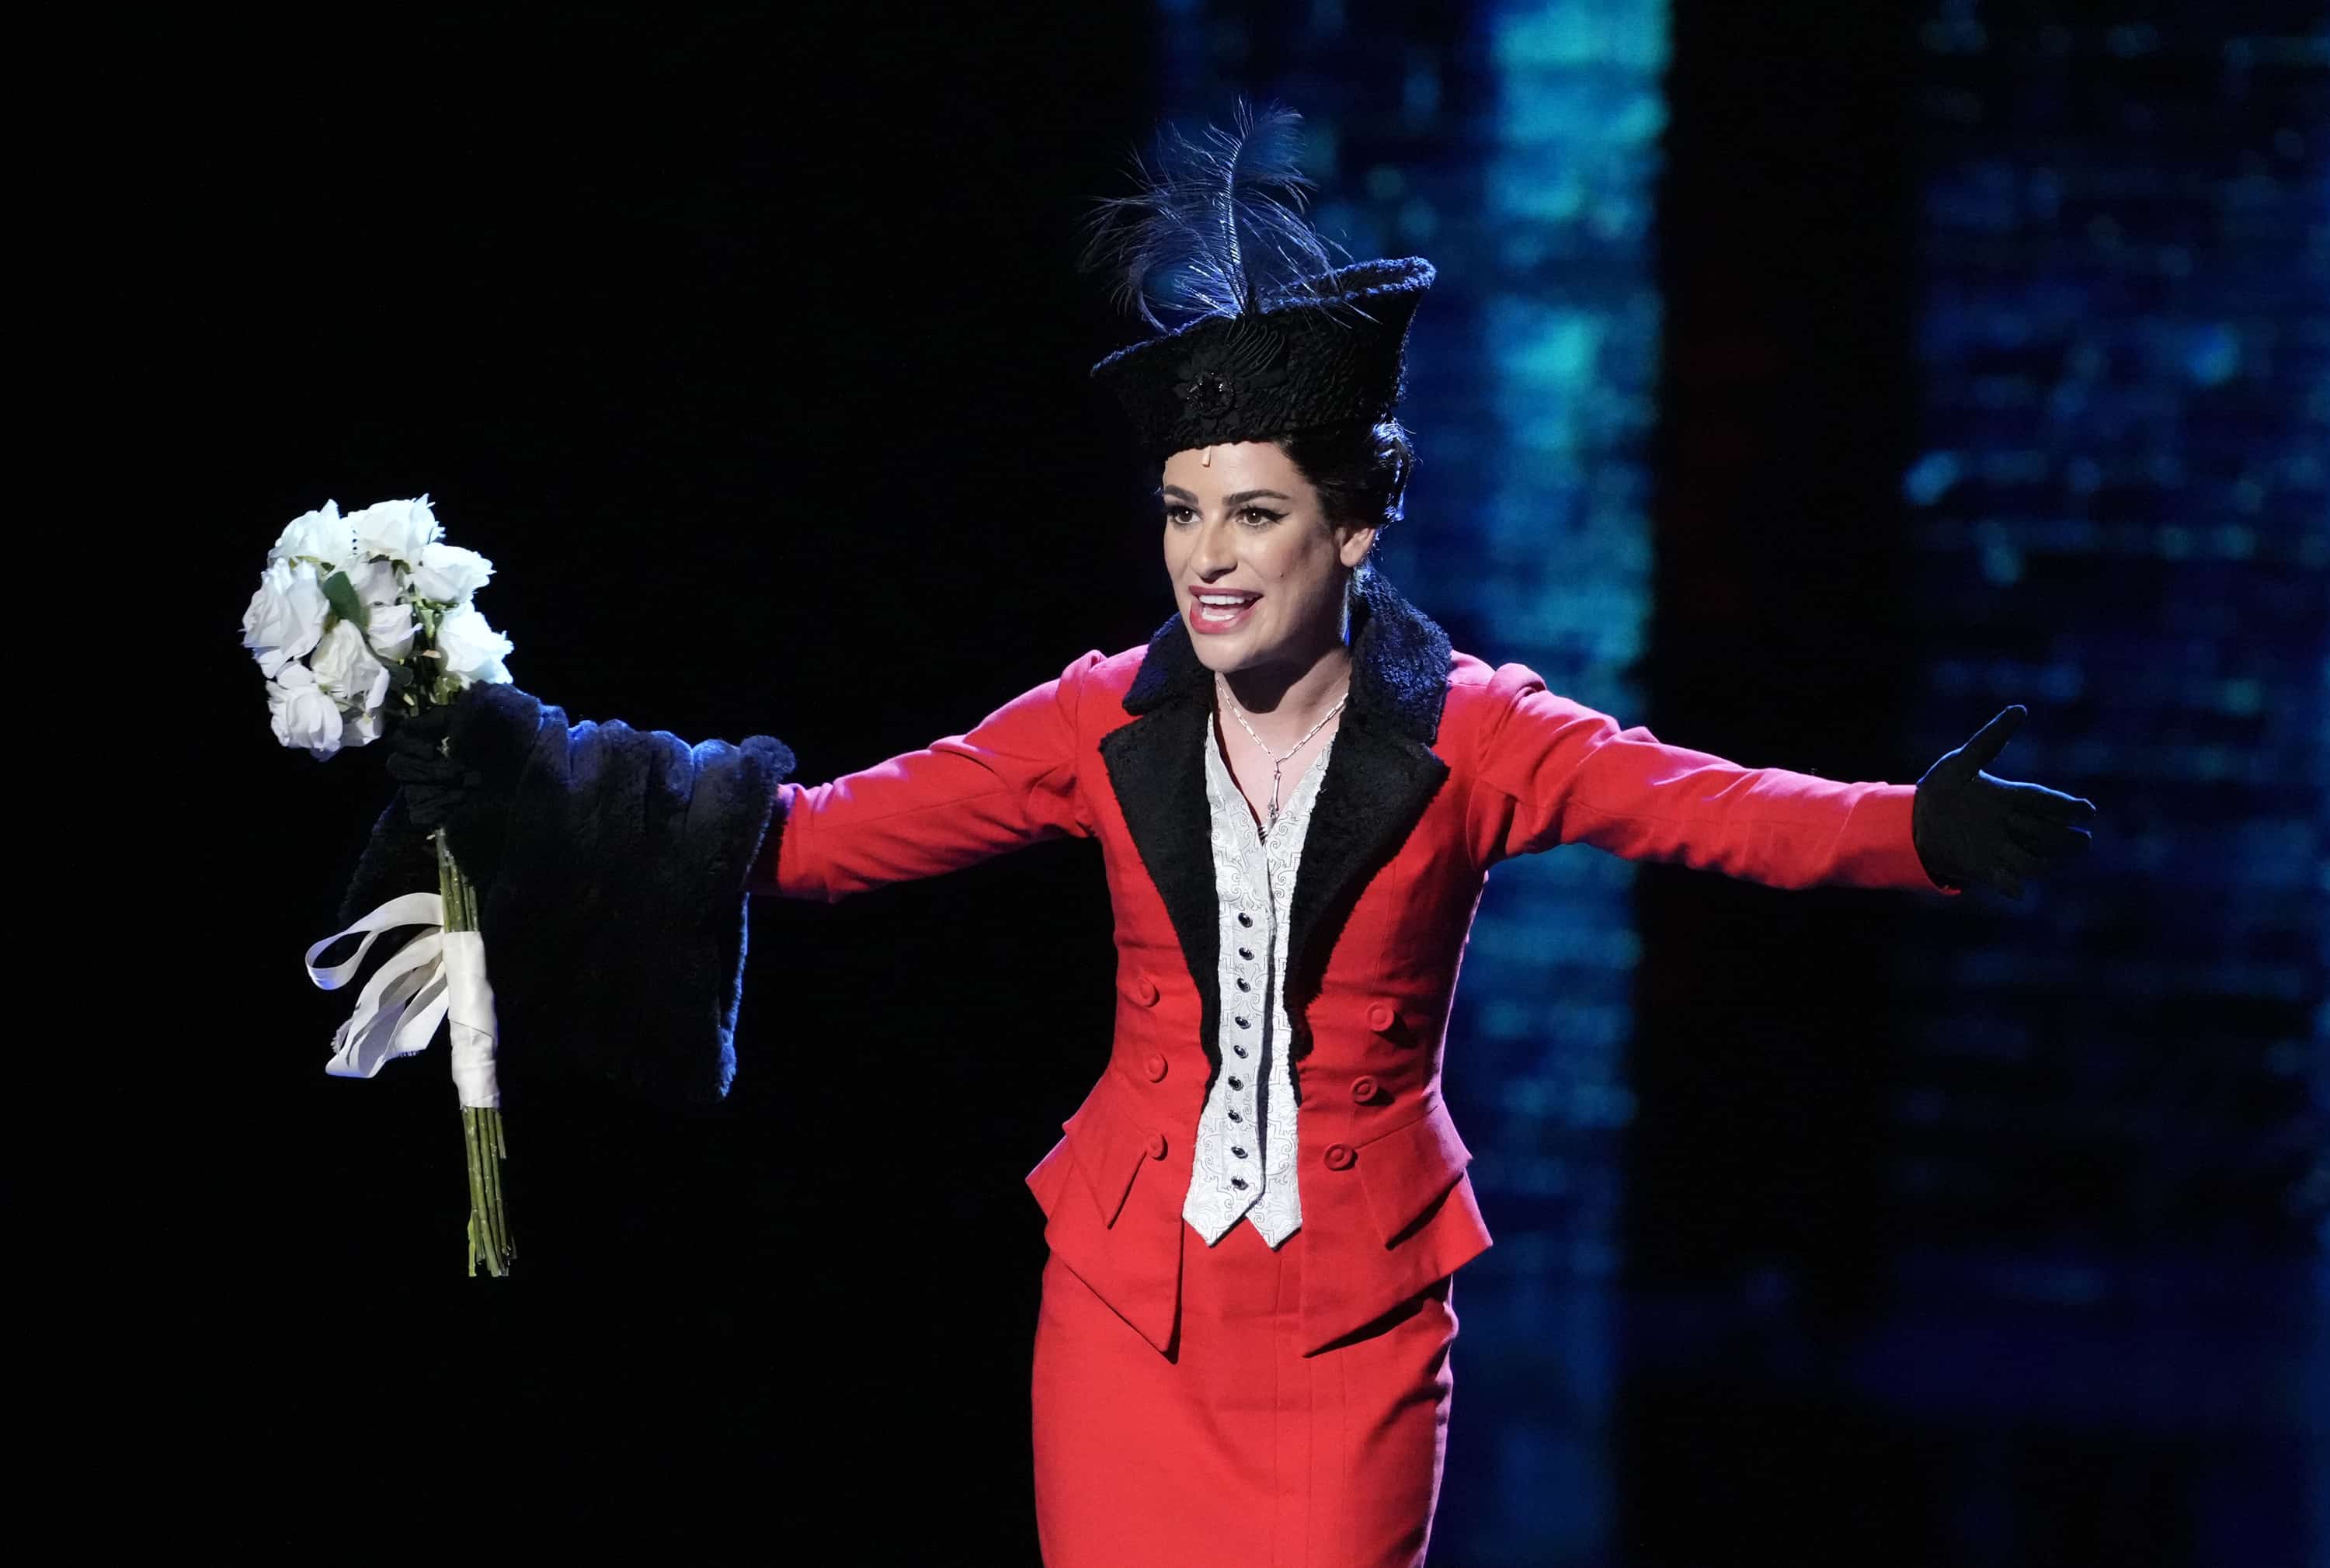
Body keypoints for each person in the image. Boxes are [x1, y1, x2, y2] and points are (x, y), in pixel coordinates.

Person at [374, 105, 2096, 1567]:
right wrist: (537, 770)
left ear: (1351, 527)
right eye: (1184, 510)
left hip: (1354, 1326)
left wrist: (1915, 830)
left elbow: (1710, 808)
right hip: (1124, 1306)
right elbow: (815, 837)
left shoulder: (1477, 732)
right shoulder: (1095, 722)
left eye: (1255, 512)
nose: (1207, 555)